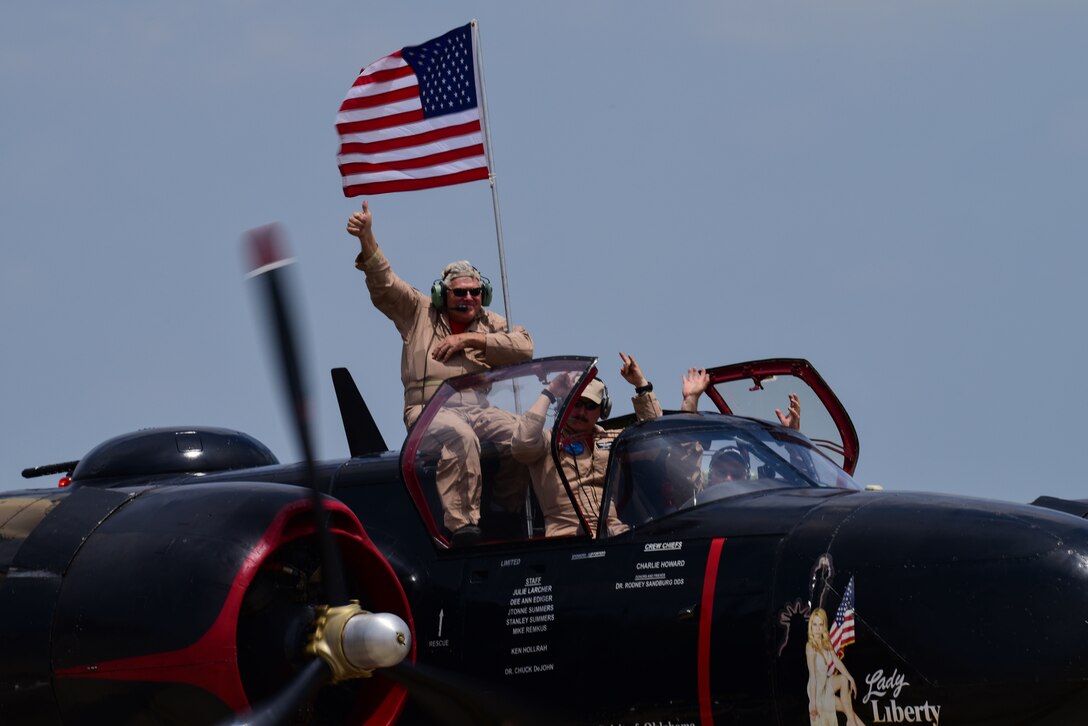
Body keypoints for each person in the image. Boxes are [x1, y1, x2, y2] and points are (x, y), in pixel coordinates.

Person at [346, 201, 534, 545]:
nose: (467, 298)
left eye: (475, 292)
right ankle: (462, 527)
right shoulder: (418, 312)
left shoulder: (490, 324)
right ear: (441, 294)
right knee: (460, 436)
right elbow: (384, 283)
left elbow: (524, 348)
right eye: (459, 292)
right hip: (429, 412)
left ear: (484, 294)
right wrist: (367, 237)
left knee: (526, 437)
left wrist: (472, 339)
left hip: (479, 410)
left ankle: (504, 513)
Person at [511, 353, 660, 537]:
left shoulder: (612, 439)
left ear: (602, 410)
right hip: (567, 538)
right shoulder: (547, 440)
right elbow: (522, 445)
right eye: (577, 403)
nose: (582, 411)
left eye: (590, 406)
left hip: (615, 534)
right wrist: (550, 391)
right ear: (563, 404)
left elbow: (654, 443)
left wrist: (641, 386)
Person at [806, 608, 866, 726]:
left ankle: (850, 722)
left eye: (820, 625)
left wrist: (850, 678)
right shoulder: (810, 646)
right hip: (817, 691)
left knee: (844, 679)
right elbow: (812, 676)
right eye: (815, 625)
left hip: (826, 685)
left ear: (824, 626)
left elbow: (836, 661)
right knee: (848, 709)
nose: (818, 629)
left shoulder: (826, 643)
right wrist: (813, 703)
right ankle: (851, 722)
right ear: (811, 626)